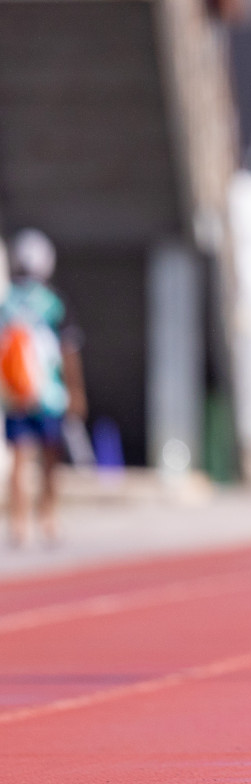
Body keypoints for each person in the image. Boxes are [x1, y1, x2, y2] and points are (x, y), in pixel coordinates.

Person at [1, 229, 87, 547]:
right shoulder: (53, 303)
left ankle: (19, 522)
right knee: (50, 458)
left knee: (20, 459)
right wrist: (76, 391)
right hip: (49, 394)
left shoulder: (6, 303)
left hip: (15, 395)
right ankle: (47, 516)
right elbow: (69, 350)